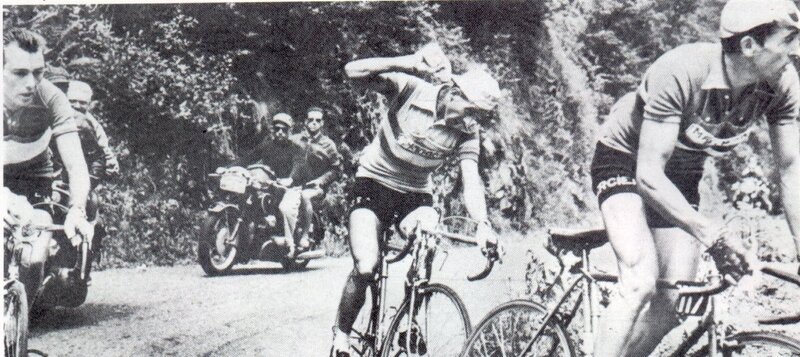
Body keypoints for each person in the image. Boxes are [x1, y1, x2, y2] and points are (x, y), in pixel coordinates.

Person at [589, 0, 800, 355]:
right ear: (749, 46)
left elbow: (791, 170)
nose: (796, 50)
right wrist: (713, 236)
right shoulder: (682, 70)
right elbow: (649, 176)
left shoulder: (781, 85)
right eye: (789, 39)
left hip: (683, 173)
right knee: (640, 282)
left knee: (673, 305)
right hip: (627, 159)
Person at [330, 46, 502, 356]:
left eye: (481, 116)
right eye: (472, 111)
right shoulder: (412, 89)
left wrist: (483, 225)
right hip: (373, 182)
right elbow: (352, 70)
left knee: (428, 239)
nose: (473, 121)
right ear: (453, 93)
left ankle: (409, 321)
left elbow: (471, 179)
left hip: (415, 192)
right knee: (366, 265)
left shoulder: (467, 133)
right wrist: (406, 63)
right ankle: (341, 334)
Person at [4, 28, 94, 297]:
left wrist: (77, 209)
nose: (31, 83)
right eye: (20, 73)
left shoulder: (53, 97)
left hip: (35, 176)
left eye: (38, 72)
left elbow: (76, 165)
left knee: (34, 254)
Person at [231, 112, 305, 254]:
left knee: (285, 208)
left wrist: (290, 179)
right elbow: (248, 158)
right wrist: (229, 168)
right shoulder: (267, 146)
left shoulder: (296, 149)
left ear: (290, 131)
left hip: (289, 187)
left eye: (284, 130)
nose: (280, 133)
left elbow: (298, 165)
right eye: (277, 129)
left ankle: (291, 246)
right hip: (270, 186)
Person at [289, 106, 342, 250]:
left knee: (305, 196)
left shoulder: (328, 144)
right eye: (310, 120)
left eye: (317, 120)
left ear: (322, 123)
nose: (314, 123)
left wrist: (320, 181)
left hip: (315, 188)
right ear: (305, 122)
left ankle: (305, 235)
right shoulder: (294, 140)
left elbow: (336, 170)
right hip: (294, 184)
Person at [65, 80, 120, 186]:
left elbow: (103, 146)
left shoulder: (92, 123)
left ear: (89, 104)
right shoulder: (56, 116)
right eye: (72, 101)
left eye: (82, 103)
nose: (77, 106)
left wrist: (110, 161)